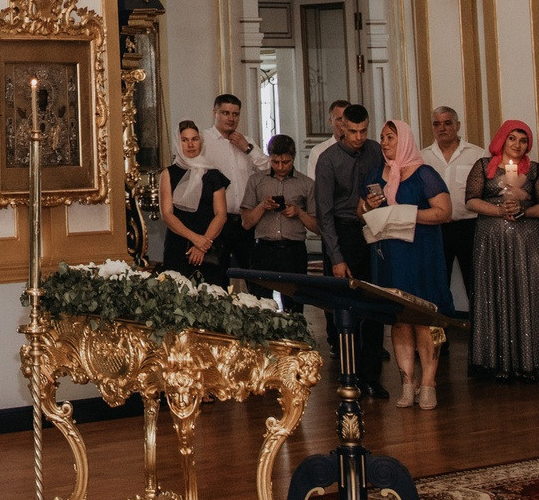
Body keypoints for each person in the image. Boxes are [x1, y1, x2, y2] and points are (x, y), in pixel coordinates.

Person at [363, 119, 452, 408]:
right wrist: (369, 206)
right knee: (399, 320)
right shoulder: (379, 172)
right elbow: (359, 209)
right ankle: (407, 383)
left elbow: (444, 212)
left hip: (421, 254)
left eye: (390, 137)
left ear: (405, 140)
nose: (384, 143)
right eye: (382, 138)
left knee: (423, 319)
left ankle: (428, 384)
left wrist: (405, 213)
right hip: (390, 255)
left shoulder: (425, 173)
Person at [464, 120, 539, 381]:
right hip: (492, 242)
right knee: (493, 294)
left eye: (523, 140)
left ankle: (531, 361)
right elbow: (471, 200)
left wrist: (525, 211)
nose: (518, 145)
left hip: (527, 242)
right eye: (512, 139)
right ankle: (494, 363)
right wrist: (498, 211)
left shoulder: (535, 171)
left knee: (527, 295)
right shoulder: (484, 167)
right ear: (502, 140)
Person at [313, 102, 389, 397]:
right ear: (341, 126)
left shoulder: (374, 150)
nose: (359, 137)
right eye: (353, 131)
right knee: (348, 308)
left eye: (363, 130)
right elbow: (324, 214)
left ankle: (373, 376)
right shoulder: (327, 160)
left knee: (375, 302)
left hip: (373, 227)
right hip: (343, 232)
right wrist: (336, 256)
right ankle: (350, 375)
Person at [235, 134, 319, 297]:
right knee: (260, 305)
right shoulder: (256, 180)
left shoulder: (306, 184)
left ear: (293, 158)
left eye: (286, 162)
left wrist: (298, 212)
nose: (280, 167)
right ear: (270, 158)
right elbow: (246, 223)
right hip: (264, 249)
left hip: (293, 251)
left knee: (294, 305)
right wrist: (263, 206)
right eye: (275, 162)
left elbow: (317, 228)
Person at [424, 107, 486, 310]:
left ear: (457, 126)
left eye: (447, 123)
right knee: (436, 282)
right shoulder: (422, 158)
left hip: (469, 226)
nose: (442, 128)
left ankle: (480, 335)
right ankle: (439, 338)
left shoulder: (477, 155)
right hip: (435, 228)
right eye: (437, 124)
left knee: (475, 282)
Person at [158, 119, 230, 282]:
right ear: (178, 143)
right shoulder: (168, 174)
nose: (190, 144)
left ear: (200, 141)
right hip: (178, 245)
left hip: (209, 247)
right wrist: (195, 239)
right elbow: (167, 214)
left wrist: (203, 244)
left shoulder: (213, 173)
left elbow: (221, 214)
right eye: (185, 140)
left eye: (194, 139)